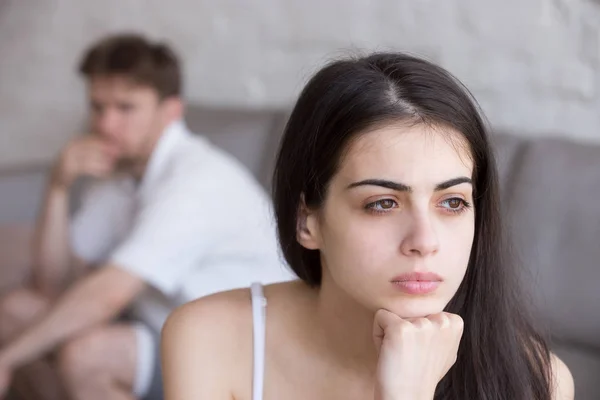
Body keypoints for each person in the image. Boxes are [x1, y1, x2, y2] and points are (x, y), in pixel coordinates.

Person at [161, 52, 575, 400]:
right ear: (307, 220)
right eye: (382, 204)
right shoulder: (210, 339)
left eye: (452, 202)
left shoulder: (539, 382)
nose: (424, 242)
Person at [0, 33, 292, 400]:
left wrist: (8, 358)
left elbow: (108, 293)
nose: (106, 124)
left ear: (171, 110)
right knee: (15, 311)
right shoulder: (122, 174)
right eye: (98, 107)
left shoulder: (197, 179)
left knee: (89, 356)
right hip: (159, 323)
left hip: (242, 349)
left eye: (126, 108)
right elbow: (52, 285)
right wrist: (58, 186)